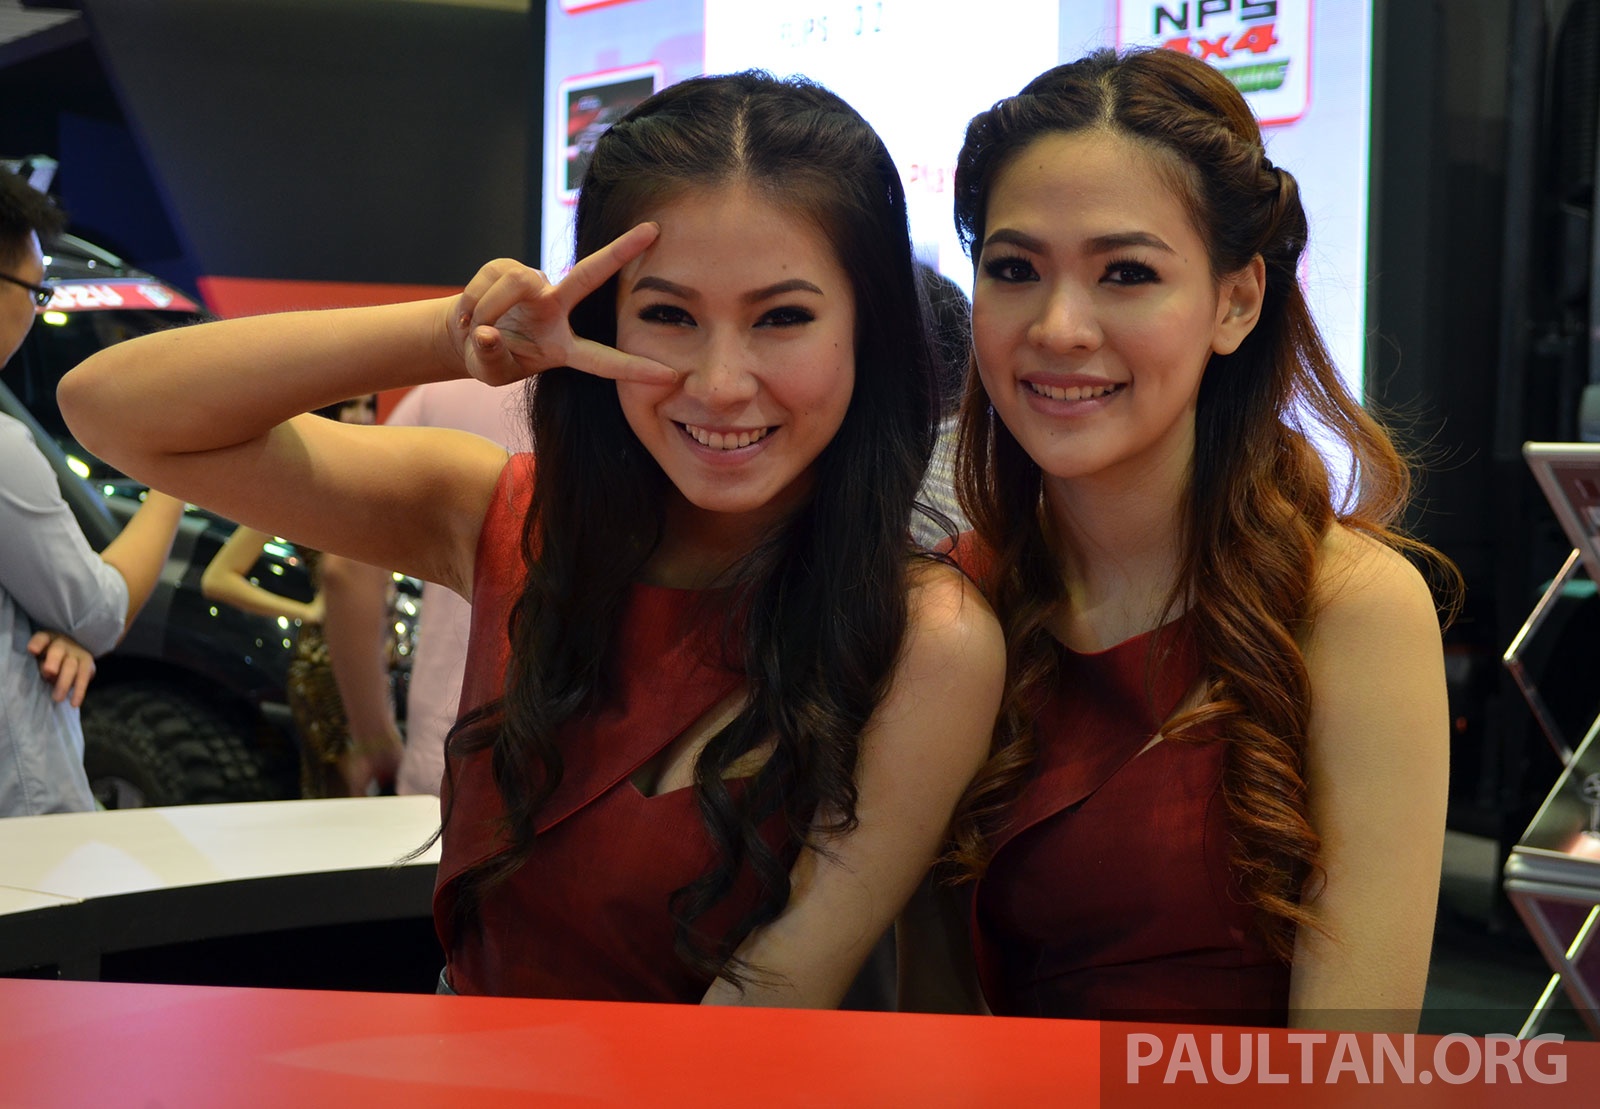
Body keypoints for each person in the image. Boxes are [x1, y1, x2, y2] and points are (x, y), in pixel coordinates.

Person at [60, 71, 1004, 1004]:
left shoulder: (922, 634)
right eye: (668, 315)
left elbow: (770, 1001)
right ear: (601, 318)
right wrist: (450, 336)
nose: (720, 383)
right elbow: (112, 409)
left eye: (782, 318)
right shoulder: (507, 520)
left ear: (867, 328)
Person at [898, 48, 1459, 1031]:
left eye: (1127, 273)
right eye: (1014, 269)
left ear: (1236, 301)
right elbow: (933, 1017)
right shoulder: (953, 606)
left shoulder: (1351, 607)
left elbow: (1355, 1065)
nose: (1059, 327)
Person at [0, 171, 184, 816]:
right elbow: (99, 613)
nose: (35, 309)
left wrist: (57, 619)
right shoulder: (3, 449)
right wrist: (175, 475)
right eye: (36, 291)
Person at [319, 378, 527, 800]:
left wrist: (374, 737)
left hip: (447, 755)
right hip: (604, 773)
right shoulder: (641, 395)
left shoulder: (439, 394)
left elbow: (346, 567)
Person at [201, 395, 387, 798]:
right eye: (351, 404)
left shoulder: (378, 476)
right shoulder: (308, 483)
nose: (362, 416)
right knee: (343, 797)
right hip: (326, 667)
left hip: (374, 662)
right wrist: (305, 611)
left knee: (363, 798)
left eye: (370, 405)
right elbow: (218, 578)